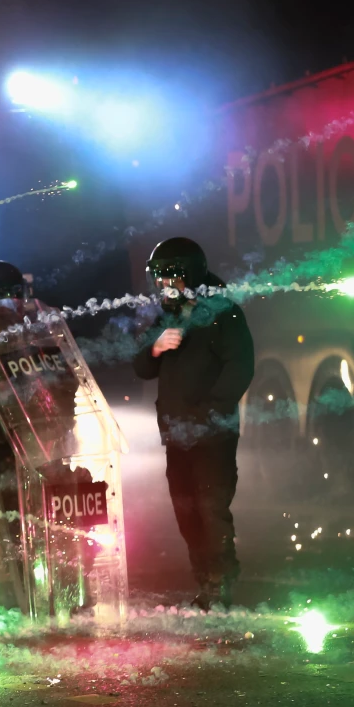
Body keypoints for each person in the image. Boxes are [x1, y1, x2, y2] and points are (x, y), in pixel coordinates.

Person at [132, 238, 254, 610]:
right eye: (159, 280)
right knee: (186, 510)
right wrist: (155, 347)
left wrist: (211, 411)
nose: (164, 287)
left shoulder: (222, 312)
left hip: (212, 434)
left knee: (210, 507)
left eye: (171, 279)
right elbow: (141, 367)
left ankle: (220, 583)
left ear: (191, 274)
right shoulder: (168, 314)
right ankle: (205, 582)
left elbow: (241, 365)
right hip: (177, 433)